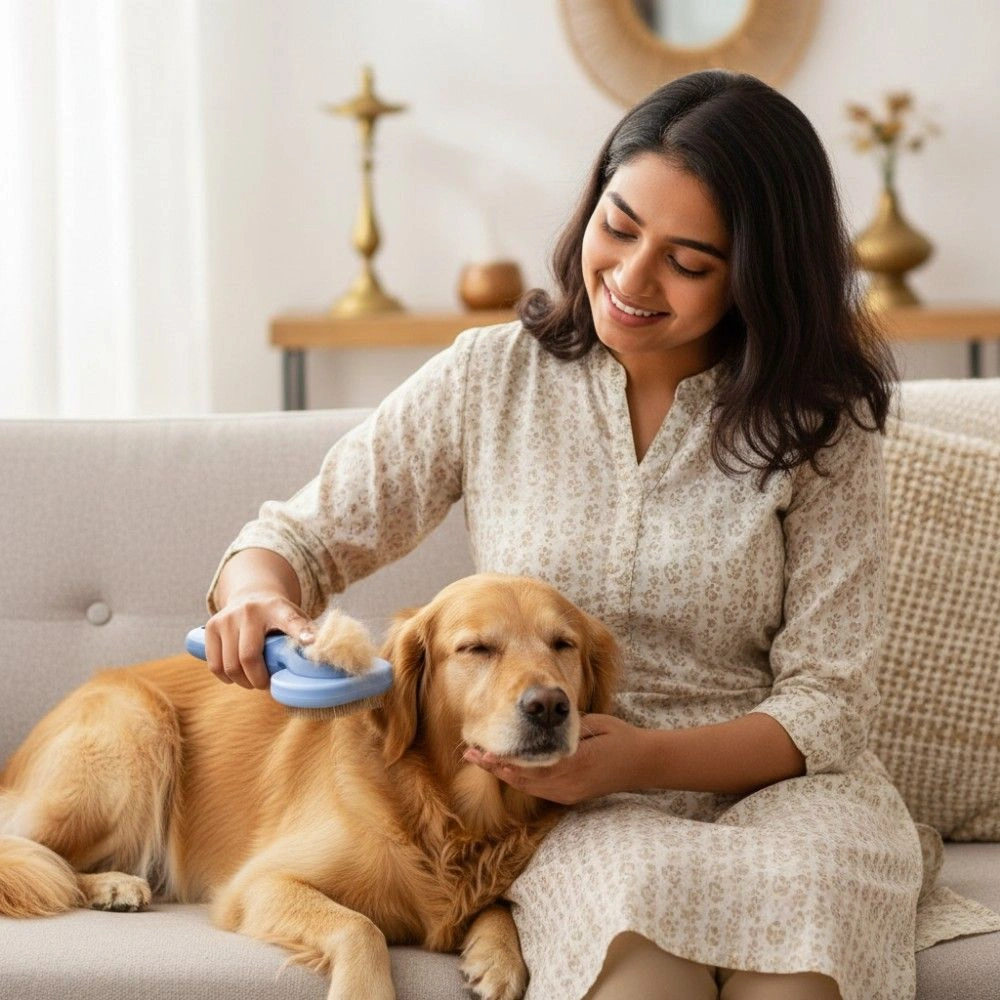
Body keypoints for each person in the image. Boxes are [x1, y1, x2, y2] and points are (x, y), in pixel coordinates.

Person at [204, 71, 957, 999]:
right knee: (642, 980)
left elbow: (830, 700)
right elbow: (301, 536)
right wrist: (254, 593)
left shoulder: (820, 422)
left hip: (793, 798)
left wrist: (641, 756)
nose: (632, 279)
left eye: (689, 262)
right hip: (573, 812)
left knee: (794, 983)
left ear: (759, 276)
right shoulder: (492, 376)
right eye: (620, 224)